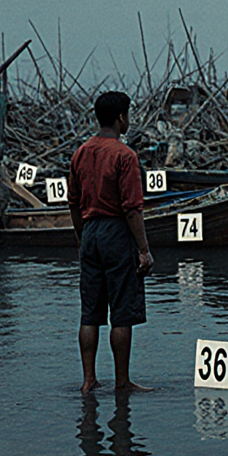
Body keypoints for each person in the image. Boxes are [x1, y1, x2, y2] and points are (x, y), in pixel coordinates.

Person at [68, 91, 154, 393]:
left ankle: (88, 380)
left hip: (90, 231)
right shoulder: (124, 156)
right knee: (121, 312)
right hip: (116, 232)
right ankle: (122, 381)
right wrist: (143, 250)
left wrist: (82, 238)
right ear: (121, 118)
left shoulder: (81, 152)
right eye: (127, 115)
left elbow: (73, 202)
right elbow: (132, 208)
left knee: (89, 312)